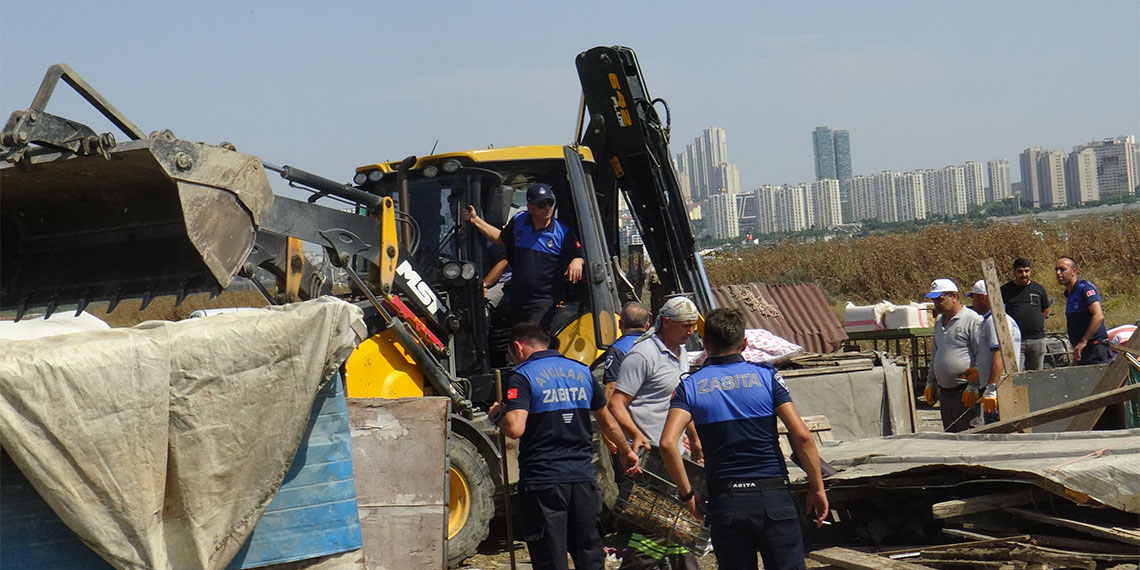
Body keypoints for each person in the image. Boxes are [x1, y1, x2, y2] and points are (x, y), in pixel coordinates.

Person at [659, 308, 828, 570]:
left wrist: (688, 494)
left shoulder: (690, 386)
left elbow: (668, 443)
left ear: (705, 344)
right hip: (773, 497)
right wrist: (817, 487)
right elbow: (803, 436)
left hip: (726, 503)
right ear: (744, 343)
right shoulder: (767, 377)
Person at [488, 324, 640, 570]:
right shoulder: (581, 371)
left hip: (543, 482)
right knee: (590, 555)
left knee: (550, 557)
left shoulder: (523, 375)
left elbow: (515, 428)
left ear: (517, 347)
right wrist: (626, 451)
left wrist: (497, 416)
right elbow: (608, 423)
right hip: (582, 479)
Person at [608, 296, 703, 570]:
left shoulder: (681, 352)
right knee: (656, 527)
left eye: (693, 326)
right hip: (651, 459)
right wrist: (635, 435)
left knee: (678, 524)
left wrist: (695, 441)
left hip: (675, 454)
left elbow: (680, 404)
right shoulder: (642, 355)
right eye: (686, 325)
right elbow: (616, 403)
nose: (691, 331)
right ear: (667, 322)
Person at [466, 183, 586, 328]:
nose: (548, 208)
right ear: (530, 208)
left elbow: (579, 253)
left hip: (544, 300)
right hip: (518, 297)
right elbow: (501, 239)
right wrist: (476, 220)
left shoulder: (562, 232)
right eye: (542, 204)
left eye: (550, 203)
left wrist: (577, 261)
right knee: (517, 340)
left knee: (531, 339)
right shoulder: (519, 221)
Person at [922, 278, 984, 432]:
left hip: (964, 391)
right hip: (945, 393)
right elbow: (936, 353)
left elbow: (981, 355)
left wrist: (973, 386)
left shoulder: (972, 320)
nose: (936, 304)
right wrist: (931, 382)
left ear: (954, 297)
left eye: (940, 300)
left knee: (970, 435)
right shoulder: (939, 322)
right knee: (951, 437)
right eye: (934, 300)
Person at [966, 280, 1022, 426]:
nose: (973, 302)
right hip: (1002, 385)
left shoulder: (994, 322)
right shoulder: (1000, 320)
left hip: (999, 388)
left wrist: (991, 388)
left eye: (974, 297)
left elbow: (999, 354)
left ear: (983, 297)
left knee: (998, 431)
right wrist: (978, 373)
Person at [599, 301, 652, 455]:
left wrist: (606, 428)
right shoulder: (658, 346)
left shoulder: (618, 350)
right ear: (647, 326)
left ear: (620, 324)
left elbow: (611, 388)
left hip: (630, 426)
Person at [1054, 257, 1112, 365]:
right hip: (1081, 351)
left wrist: (1083, 341)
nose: (1058, 273)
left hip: (1095, 349)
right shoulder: (1069, 294)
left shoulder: (1085, 288)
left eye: (1062, 269)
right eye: (1056, 270)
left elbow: (1098, 316)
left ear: (1074, 271)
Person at [999, 258, 1052, 370]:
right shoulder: (1005, 291)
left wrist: (1036, 321)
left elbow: (1046, 309)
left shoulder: (1038, 289)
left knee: (1036, 376)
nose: (1024, 275)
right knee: (1016, 374)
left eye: (1026, 271)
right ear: (1014, 272)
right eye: (1020, 271)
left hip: (1037, 339)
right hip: (1016, 341)